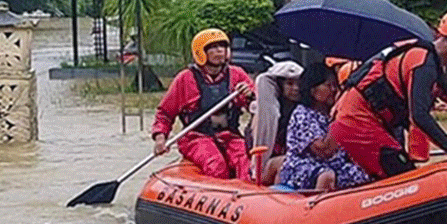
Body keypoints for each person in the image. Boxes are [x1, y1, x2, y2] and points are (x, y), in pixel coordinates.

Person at [328, 9, 447, 179]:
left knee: (401, 171)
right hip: (356, 122)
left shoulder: (429, 60)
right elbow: (419, 116)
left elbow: (446, 90)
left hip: (363, 121)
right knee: (403, 177)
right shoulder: (423, 64)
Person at [151, 28, 254, 180]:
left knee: (247, 165)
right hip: (196, 137)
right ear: (201, 52)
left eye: (223, 46)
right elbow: (165, 113)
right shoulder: (185, 79)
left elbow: (256, 106)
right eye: (213, 47)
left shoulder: (237, 75)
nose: (220, 50)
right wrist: (160, 138)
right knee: (217, 167)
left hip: (229, 136)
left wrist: (250, 95)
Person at [277, 62, 371, 192]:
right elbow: (323, 150)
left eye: (335, 86)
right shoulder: (303, 113)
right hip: (304, 167)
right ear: (313, 91)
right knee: (326, 176)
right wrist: (342, 118)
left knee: (364, 174)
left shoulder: (329, 113)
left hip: (335, 165)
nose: (334, 90)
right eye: (329, 86)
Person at [247, 60, 304, 185]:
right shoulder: (263, 113)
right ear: (279, 85)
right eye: (290, 84)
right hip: (267, 164)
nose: (295, 89)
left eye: (299, 84)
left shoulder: (305, 112)